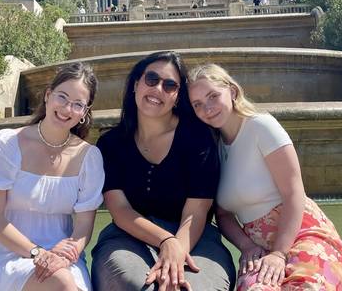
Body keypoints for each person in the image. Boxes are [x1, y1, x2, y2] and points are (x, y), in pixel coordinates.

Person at [188, 64, 342, 291]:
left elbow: (294, 193)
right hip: (259, 248)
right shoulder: (213, 147)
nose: (207, 108)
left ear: (233, 92)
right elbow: (223, 213)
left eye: (213, 96)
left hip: (302, 234)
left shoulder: (261, 126)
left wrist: (279, 252)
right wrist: (246, 246)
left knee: (305, 286)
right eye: (197, 104)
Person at [91, 52, 236, 291]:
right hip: (128, 235)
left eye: (170, 85)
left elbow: (196, 210)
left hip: (194, 238)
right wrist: (165, 240)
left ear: (178, 97)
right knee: (132, 284)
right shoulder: (111, 144)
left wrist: (176, 252)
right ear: (136, 84)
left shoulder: (198, 138)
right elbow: (120, 209)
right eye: (151, 79)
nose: (158, 88)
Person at [0, 63, 105, 291]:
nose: (67, 109)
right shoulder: (6, 144)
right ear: (47, 95)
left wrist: (69, 252)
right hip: (9, 255)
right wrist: (38, 253)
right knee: (62, 282)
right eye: (62, 97)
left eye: (77, 104)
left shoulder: (89, 157)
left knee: (66, 280)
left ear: (84, 112)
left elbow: (84, 226)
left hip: (64, 259)